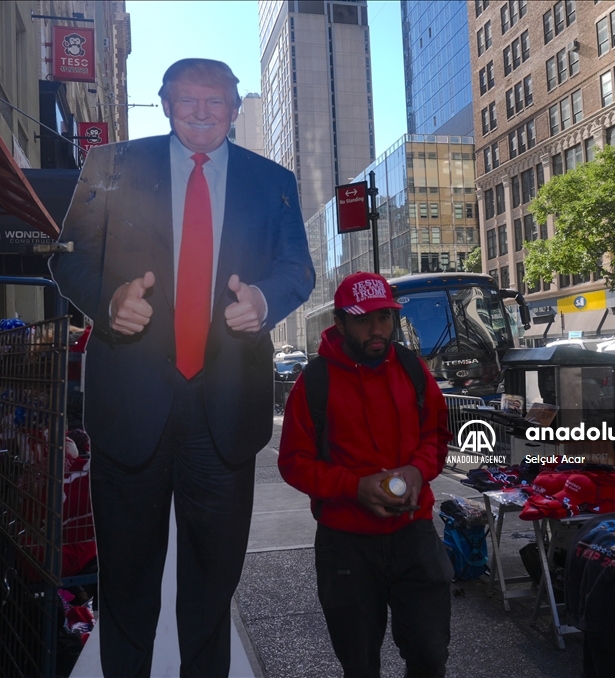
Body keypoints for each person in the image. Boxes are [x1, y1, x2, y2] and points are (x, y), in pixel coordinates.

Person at [49, 58, 314, 677]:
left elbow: (297, 270)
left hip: (224, 410)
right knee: (127, 581)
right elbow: (68, 260)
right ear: (164, 103)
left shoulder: (272, 180)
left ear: (235, 108)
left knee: (211, 583)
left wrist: (265, 300)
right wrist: (109, 302)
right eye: (187, 100)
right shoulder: (111, 166)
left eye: (214, 101)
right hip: (131, 406)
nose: (200, 112)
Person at [278, 272, 453, 678]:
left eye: (385, 318)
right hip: (347, 546)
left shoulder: (412, 368)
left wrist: (416, 469)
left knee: (430, 656)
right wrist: (354, 488)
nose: (378, 330)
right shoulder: (313, 383)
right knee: (359, 665)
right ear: (339, 323)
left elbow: (437, 435)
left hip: (415, 535)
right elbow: (293, 462)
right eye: (364, 320)